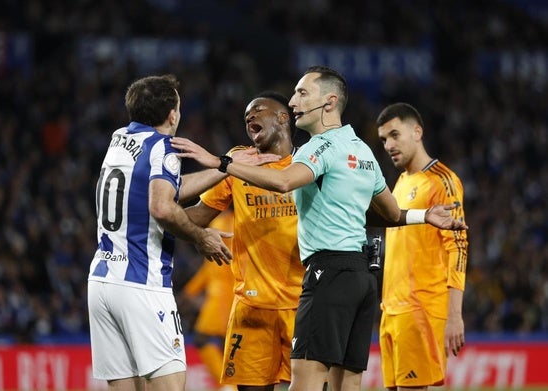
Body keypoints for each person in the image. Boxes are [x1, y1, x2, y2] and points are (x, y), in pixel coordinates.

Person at [171, 66, 467, 391]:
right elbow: (387, 212)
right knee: (346, 385)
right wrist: (423, 216)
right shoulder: (361, 150)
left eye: (302, 93)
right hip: (344, 281)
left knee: (307, 384)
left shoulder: (316, 149)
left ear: (327, 103)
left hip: (323, 279)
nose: (295, 100)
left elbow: (284, 182)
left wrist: (223, 164)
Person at [87, 74, 277, 391]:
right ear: (173, 114)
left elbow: (166, 190)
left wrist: (223, 166)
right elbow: (162, 206)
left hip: (102, 283)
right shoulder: (163, 148)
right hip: (142, 284)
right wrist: (201, 237)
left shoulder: (119, 139)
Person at [181, 90, 305, 391]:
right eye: (246, 114)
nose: (250, 116)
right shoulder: (238, 163)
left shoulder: (309, 162)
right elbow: (197, 216)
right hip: (251, 307)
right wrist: (188, 229)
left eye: (258, 109)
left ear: (282, 117)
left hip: (304, 305)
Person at [375, 102, 468, 390]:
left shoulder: (443, 180)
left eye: (394, 134)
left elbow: (459, 248)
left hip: (421, 309)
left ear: (417, 132)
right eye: (383, 139)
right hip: (391, 310)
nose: (389, 145)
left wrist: (454, 316)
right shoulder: (401, 182)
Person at [181, 210, 236, 391]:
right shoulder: (224, 221)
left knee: (203, 338)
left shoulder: (227, 224)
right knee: (223, 344)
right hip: (225, 292)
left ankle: (227, 386)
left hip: (226, 293)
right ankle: (229, 384)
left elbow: (221, 262)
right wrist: (191, 289)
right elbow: (209, 266)